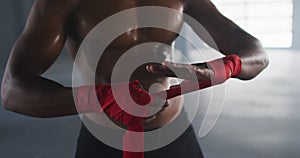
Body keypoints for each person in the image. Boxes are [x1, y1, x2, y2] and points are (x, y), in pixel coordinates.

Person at [1, 0, 269, 158]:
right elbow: (12, 91)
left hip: (174, 136)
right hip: (105, 142)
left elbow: (256, 54)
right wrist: (102, 98)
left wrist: (217, 70)